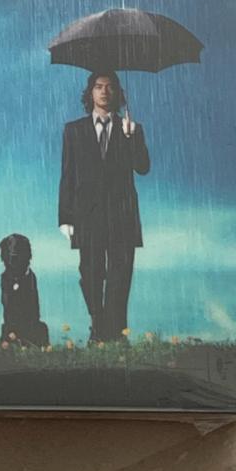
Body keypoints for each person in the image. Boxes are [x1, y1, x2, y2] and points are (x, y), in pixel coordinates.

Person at [57, 70, 150, 343]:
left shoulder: (132, 128)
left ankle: (116, 333)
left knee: (120, 274)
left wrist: (132, 138)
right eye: (98, 86)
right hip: (88, 214)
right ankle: (98, 325)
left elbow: (143, 167)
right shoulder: (74, 130)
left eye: (110, 87)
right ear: (90, 93)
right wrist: (65, 217)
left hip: (122, 213)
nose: (104, 92)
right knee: (90, 273)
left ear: (118, 93)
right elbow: (68, 175)